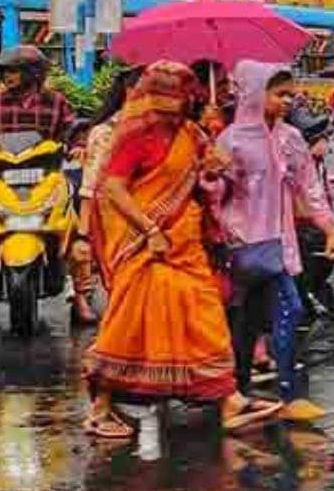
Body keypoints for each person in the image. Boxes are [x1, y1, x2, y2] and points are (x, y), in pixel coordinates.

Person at [83, 61, 280, 438]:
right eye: (162, 99)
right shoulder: (134, 135)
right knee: (131, 326)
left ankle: (229, 400)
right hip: (145, 246)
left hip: (187, 245)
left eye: (177, 99)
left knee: (206, 319)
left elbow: (211, 182)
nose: (169, 108)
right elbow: (113, 189)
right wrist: (149, 229)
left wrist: (214, 167)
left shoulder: (193, 133)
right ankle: (101, 407)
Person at [218, 61, 334, 422]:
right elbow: (214, 196)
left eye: (291, 94)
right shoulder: (231, 141)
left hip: (280, 245)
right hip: (241, 243)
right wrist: (215, 174)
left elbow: (310, 188)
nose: (288, 101)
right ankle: (239, 393)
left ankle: (289, 393)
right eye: (279, 94)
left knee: (291, 310)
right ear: (256, 94)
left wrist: (330, 230)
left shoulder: (290, 139)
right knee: (246, 321)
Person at [0, 45, 91, 333]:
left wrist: (78, 148)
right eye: (5, 71)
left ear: (33, 73)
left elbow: (72, 131)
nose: (6, 76)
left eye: (13, 71)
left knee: (75, 225)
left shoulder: (56, 102)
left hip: (45, 176)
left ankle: (82, 296)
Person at [76, 66, 141, 288]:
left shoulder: (172, 130)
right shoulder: (105, 133)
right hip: (114, 222)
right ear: (130, 92)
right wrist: (82, 235)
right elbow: (89, 186)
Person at [289, 105, 334, 319]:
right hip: (301, 225)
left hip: (316, 223)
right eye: (322, 138)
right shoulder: (299, 164)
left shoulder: (318, 164)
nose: (327, 143)